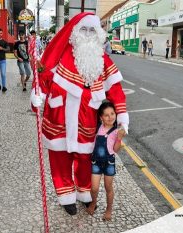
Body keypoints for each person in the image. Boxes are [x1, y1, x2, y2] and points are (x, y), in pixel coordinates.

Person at [30, 12, 129, 215]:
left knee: (86, 158)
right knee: (59, 156)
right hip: (59, 116)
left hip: (88, 118)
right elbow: (45, 77)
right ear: (75, 32)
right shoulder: (62, 53)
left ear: (99, 33)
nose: (87, 34)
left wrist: (122, 117)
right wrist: (37, 94)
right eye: (83, 29)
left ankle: (84, 192)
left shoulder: (103, 60)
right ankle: (65, 194)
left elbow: (116, 90)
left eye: (92, 30)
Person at [86, 101, 126, 221]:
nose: (110, 117)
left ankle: (109, 209)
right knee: (94, 188)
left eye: (112, 113)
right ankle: (93, 203)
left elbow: (115, 150)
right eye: (106, 115)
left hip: (109, 163)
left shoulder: (116, 131)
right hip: (96, 163)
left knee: (108, 188)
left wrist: (119, 139)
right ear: (101, 117)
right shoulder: (98, 127)